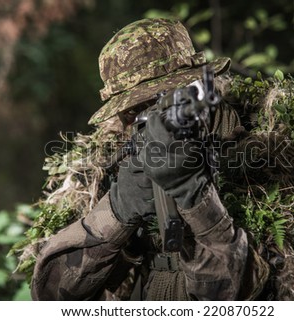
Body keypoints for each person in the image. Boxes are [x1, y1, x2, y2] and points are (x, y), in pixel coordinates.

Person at [30, 17, 253, 301]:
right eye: (137, 110)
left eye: (165, 101)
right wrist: (118, 210)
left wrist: (195, 196)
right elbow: (52, 296)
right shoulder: (112, 159)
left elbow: (231, 298)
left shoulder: (244, 146)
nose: (151, 120)